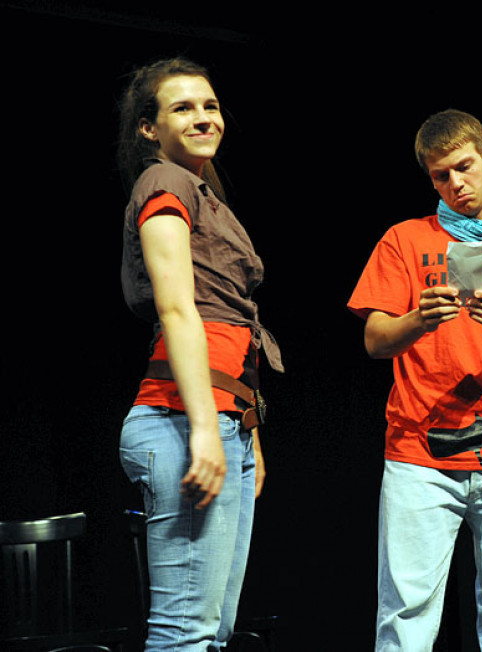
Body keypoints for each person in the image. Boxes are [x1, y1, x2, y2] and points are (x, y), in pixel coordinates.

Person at [348, 109, 482, 650]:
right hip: (421, 454)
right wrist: (419, 319)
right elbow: (375, 340)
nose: (456, 184)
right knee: (406, 616)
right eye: (441, 176)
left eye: (464, 167)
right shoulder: (405, 238)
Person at [117, 57, 283, 651]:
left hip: (220, 419)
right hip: (181, 420)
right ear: (149, 128)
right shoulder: (164, 182)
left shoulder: (202, 192)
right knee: (186, 632)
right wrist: (206, 428)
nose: (203, 117)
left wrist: (245, 432)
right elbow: (177, 308)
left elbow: (231, 325)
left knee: (213, 632)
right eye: (182, 108)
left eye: (210, 105)